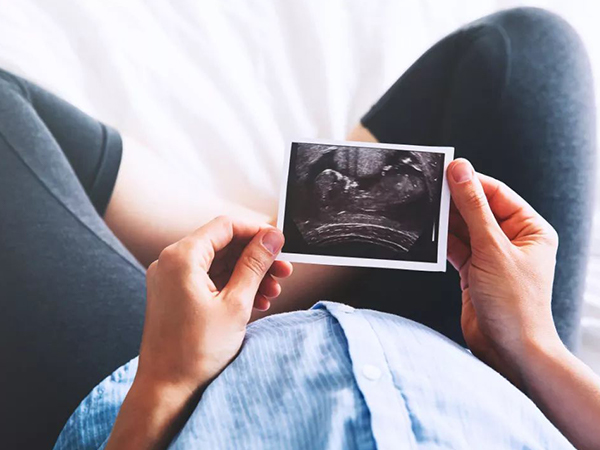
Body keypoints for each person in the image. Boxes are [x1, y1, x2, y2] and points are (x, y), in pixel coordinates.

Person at [0, 6, 598, 449]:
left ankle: (260, 260)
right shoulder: (516, 352)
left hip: (162, 393)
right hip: (479, 361)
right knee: (522, 52)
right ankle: (288, 250)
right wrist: (534, 348)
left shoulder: (163, 381)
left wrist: (165, 382)